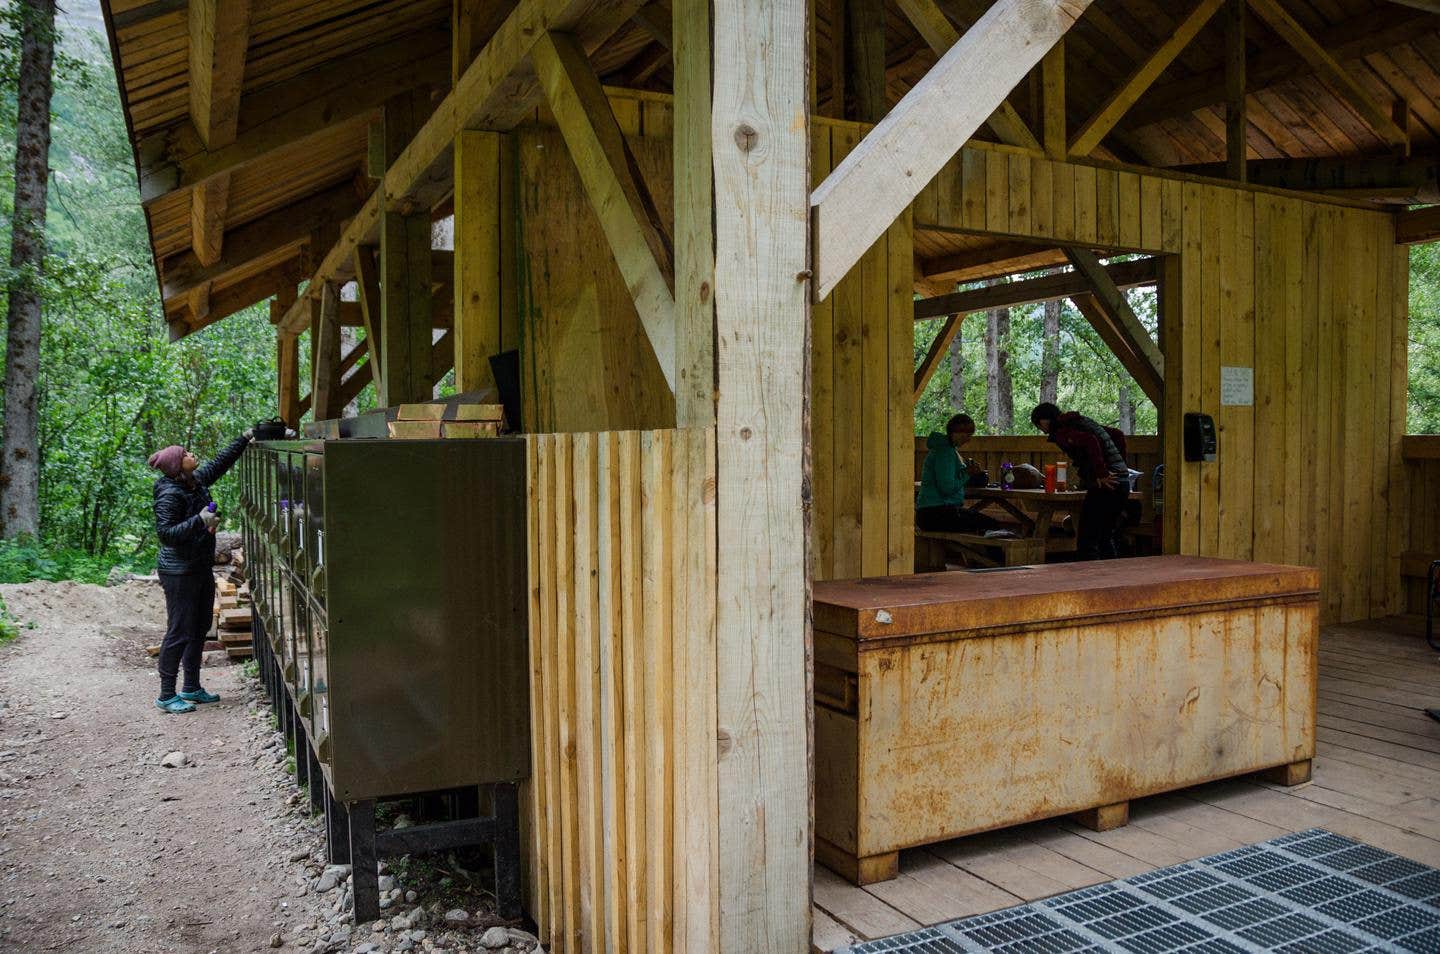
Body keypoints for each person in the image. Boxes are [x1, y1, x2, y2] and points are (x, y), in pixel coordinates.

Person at [149, 430, 254, 713]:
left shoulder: (194, 483)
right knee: (179, 630)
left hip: (198, 566)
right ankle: (167, 694)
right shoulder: (170, 494)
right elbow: (166, 534)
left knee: (199, 627)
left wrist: (245, 438)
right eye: (185, 454)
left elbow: (221, 462)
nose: (191, 455)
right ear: (176, 465)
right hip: (179, 571)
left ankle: (192, 687)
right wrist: (199, 520)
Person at [1030, 402, 1130, 560]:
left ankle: (1088, 580)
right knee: (1105, 536)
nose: (1041, 430)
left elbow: (1090, 441)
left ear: (1043, 421)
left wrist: (1102, 473)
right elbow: (1117, 434)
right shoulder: (1082, 422)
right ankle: (1112, 578)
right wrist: (1119, 468)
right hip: (1121, 482)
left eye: (1038, 425)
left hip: (1105, 484)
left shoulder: (1061, 431)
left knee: (1087, 541)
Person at [915, 414, 1003, 534]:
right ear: (956, 432)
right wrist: (967, 473)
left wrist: (967, 473)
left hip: (932, 512)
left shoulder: (947, 449)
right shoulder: (945, 452)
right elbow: (946, 488)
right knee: (992, 526)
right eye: (967, 435)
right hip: (936, 514)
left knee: (984, 525)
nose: (968, 439)